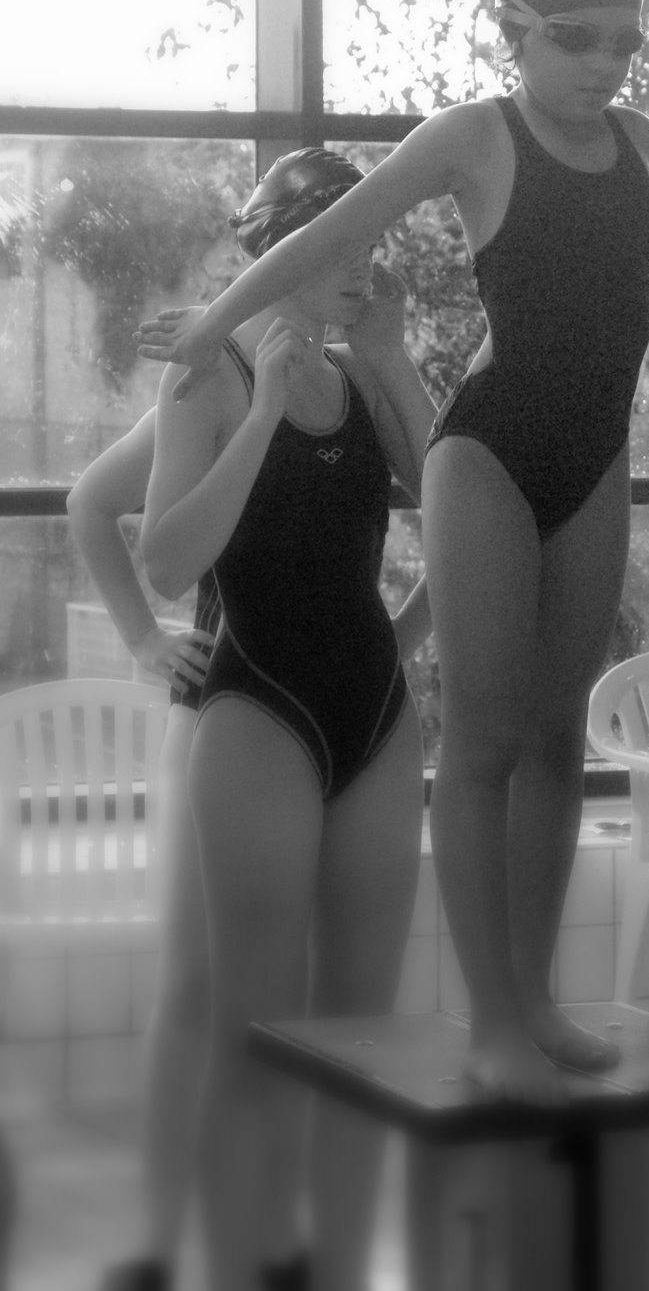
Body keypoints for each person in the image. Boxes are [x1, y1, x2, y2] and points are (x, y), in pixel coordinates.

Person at [135, 0, 649, 1103]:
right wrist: (217, 323)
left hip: (598, 457)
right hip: (489, 455)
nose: (605, 64)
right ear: (517, 28)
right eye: (578, 37)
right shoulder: (476, 136)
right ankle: (492, 1023)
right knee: (482, 740)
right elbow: (335, 231)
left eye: (626, 41)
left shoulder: (639, 140)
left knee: (558, 734)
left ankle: (535, 1000)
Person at [140, 147, 436, 1291]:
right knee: (256, 1033)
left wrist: (392, 356)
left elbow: (458, 506)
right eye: (343, 246)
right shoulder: (207, 377)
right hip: (257, 713)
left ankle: (343, 1269)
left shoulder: (362, 377)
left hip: (375, 715)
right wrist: (264, 410)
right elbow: (168, 561)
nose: (364, 265)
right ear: (282, 252)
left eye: (372, 243)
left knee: (362, 1036)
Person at [67, 412, 218, 1291]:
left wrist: (403, 634)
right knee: (191, 987)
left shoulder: (361, 375)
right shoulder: (206, 388)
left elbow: (450, 481)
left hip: (340, 716)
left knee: (304, 998)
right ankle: (160, 1239)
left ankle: (274, 1230)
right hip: (217, 708)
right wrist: (143, 640)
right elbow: (91, 502)